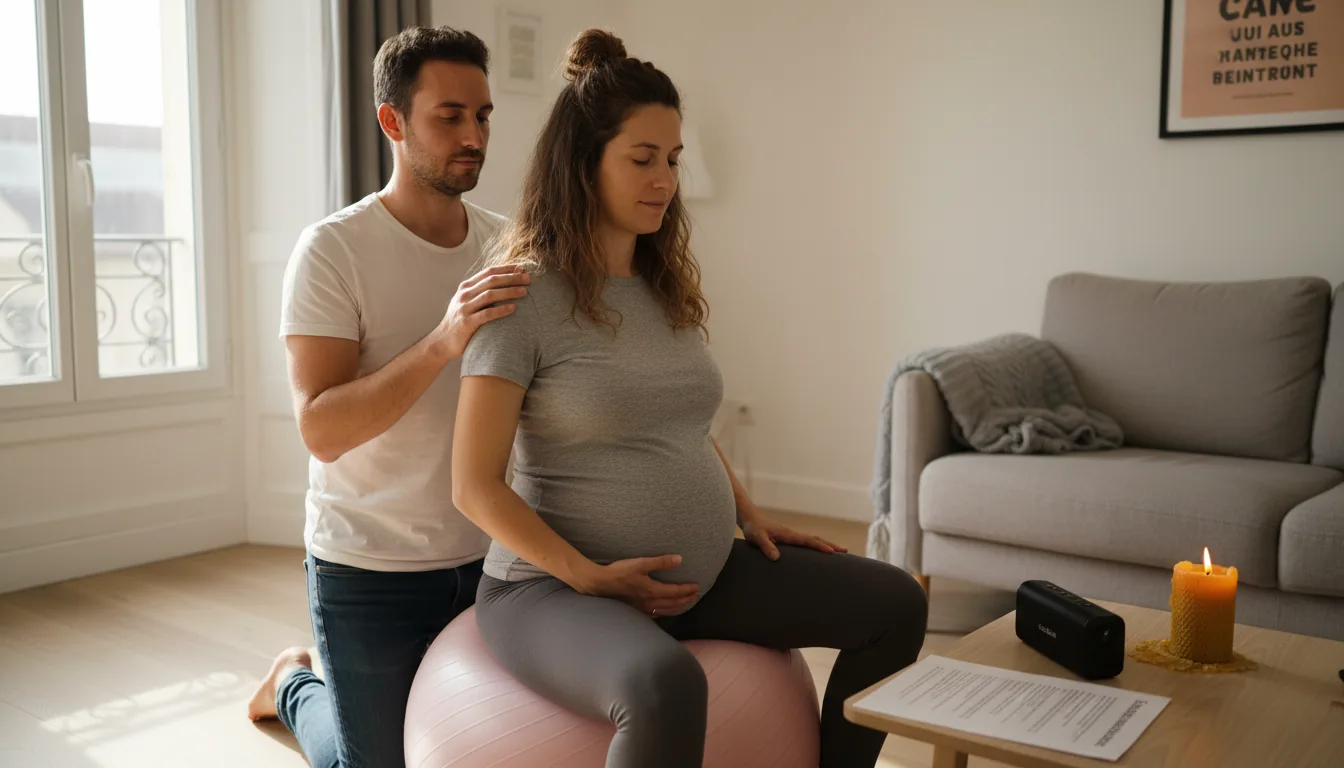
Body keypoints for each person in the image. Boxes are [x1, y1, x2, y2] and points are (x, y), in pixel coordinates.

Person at [452, 28, 929, 768]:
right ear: (583, 163)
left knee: (895, 602)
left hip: (694, 579)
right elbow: (472, 485)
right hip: (551, 593)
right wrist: (585, 573)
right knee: (665, 685)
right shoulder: (522, 295)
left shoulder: (661, 284)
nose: (665, 179)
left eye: (672, 159)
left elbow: (681, 425)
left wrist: (747, 512)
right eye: (642, 159)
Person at [244, 26, 529, 768]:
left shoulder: (507, 245)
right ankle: (293, 683)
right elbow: (322, 429)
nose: (475, 135)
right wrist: (444, 337)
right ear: (392, 122)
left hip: (491, 562)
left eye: (485, 115)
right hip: (366, 570)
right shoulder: (333, 251)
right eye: (451, 115)